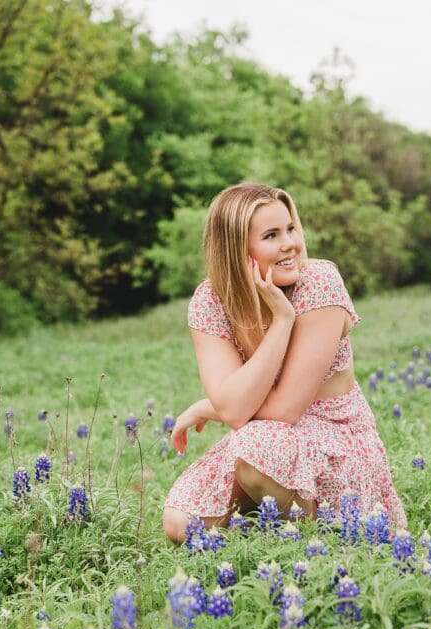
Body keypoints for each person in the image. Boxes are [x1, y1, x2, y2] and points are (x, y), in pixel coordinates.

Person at [161, 182, 407, 544]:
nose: (290, 243)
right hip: (260, 441)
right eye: (272, 235)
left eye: (290, 228)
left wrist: (209, 406)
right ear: (236, 248)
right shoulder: (210, 302)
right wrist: (279, 324)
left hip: (334, 442)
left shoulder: (320, 283)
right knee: (181, 522)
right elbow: (234, 408)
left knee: (257, 448)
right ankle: (270, 526)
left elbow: (285, 411)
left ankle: (319, 542)